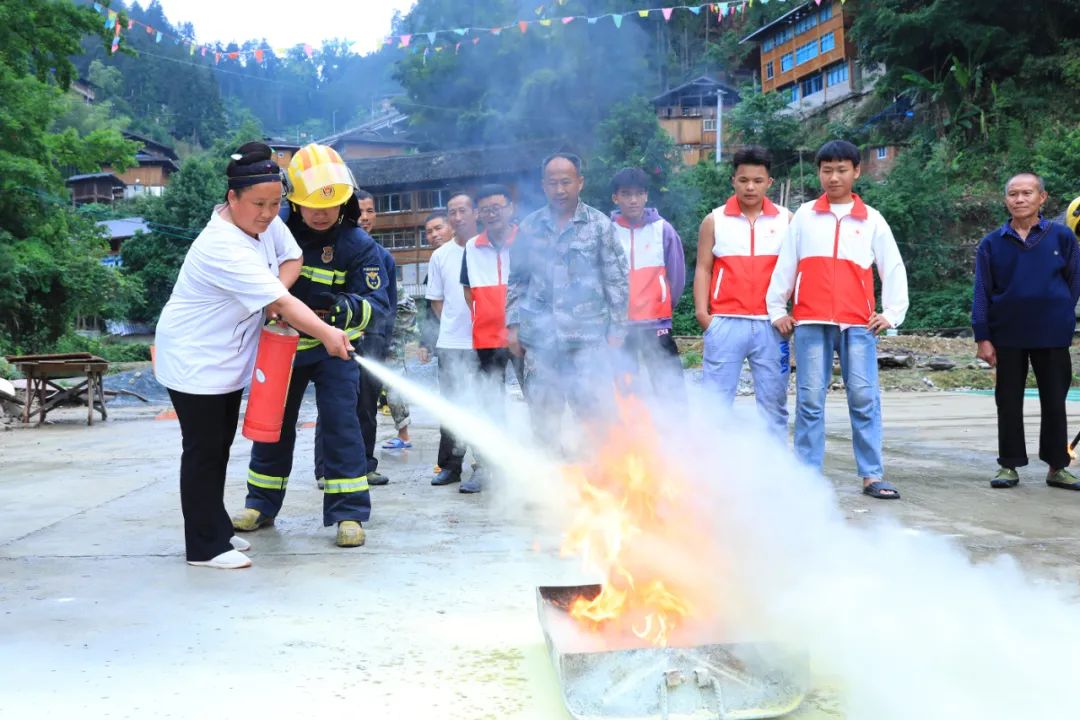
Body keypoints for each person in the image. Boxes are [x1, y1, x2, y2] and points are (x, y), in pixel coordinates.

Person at [154, 141, 353, 569]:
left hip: (226, 357)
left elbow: (293, 256)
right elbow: (284, 304)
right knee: (204, 449)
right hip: (195, 358)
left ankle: (218, 527)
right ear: (232, 199)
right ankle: (204, 547)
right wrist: (325, 332)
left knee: (220, 444)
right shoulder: (221, 246)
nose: (268, 213)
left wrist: (271, 294)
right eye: (259, 204)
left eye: (276, 203)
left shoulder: (265, 226)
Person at [232, 143, 390, 547]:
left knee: (342, 426)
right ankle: (260, 504)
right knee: (271, 427)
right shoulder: (274, 231)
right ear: (294, 201)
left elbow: (377, 306)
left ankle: (349, 514)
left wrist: (339, 311)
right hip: (282, 346)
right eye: (310, 205)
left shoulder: (358, 246)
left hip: (333, 350)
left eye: (331, 205)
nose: (321, 213)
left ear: (345, 202)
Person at [766, 140, 908, 500]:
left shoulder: (871, 219)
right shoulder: (804, 216)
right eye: (827, 170)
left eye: (841, 169)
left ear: (857, 172)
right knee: (811, 399)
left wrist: (891, 314)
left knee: (863, 397)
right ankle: (807, 475)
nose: (834, 177)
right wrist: (777, 309)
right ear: (819, 173)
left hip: (858, 322)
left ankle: (872, 475)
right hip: (811, 321)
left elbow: (891, 267)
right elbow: (787, 263)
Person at [507, 152, 629, 443]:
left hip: (589, 343)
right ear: (543, 185)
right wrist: (512, 326)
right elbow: (517, 280)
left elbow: (617, 280)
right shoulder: (529, 228)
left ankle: (602, 482)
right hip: (541, 344)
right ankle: (550, 483)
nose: (560, 190)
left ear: (580, 182)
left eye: (566, 182)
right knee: (544, 422)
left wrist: (617, 330)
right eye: (552, 183)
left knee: (597, 421)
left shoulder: (600, 226)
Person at [973, 174, 1080, 490]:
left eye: (1027, 193)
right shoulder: (992, 243)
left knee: (1054, 400)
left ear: (1042, 197)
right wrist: (983, 336)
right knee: (1007, 400)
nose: (1019, 199)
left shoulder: (1062, 237)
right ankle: (1009, 465)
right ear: (1005, 199)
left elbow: (1074, 283)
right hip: (1007, 333)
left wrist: (1059, 310)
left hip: (1052, 333)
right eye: (1013, 194)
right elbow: (981, 291)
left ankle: (1057, 466)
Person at [694, 147, 791, 441]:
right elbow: (703, 268)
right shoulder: (714, 220)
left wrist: (791, 312)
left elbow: (796, 271)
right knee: (715, 403)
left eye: (758, 180)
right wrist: (703, 315)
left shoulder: (787, 220)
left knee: (773, 405)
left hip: (771, 325)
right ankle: (712, 472)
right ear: (733, 180)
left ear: (769, 182)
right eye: (744, 179)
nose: (750, 187)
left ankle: (773, 472)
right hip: (725, 322)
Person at [459, 184, 526, 493]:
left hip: (526, 337)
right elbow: (468, 290)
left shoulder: (526, 240)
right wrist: (484, 316)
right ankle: (488, 467)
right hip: (486, 338)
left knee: (539, 399)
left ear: (510, 208)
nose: (491, 213)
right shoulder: (472, 246)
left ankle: (539, 465)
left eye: (497, 207)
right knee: (489, 404)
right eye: (485, 209)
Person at [609, 167, 686, 402]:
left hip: (656, 321)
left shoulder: (663, 229)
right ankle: (631, 437)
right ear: (616, 197)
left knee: (669, 385)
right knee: (625, 388)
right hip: (620, 324)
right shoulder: (606, 230)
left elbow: (677, 275)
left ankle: (677, 435)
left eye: (638, 193)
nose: (633, 200)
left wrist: (662, 303)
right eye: (626, 194)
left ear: (646, 195)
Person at [426, 192, 478, 488]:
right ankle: (450, 465)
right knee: (451, 405)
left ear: (474, 213)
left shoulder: (484, 248)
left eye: (463, 211)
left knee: (483, 402)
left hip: (483, 343)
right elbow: (436, 300)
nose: (457, 218)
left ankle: (483, 464)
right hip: (451, 344)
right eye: (452, 213)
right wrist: (454, 326)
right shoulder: (440, 256)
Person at [350, 188, 398, 486]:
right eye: (359, 211)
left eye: (370, 211)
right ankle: (325, 469)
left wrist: (384, 341)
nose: (364, 217)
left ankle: (365, 464)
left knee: (367, 405)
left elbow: (389, 304)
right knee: (337, 403)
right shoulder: (337, 250)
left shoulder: (383, 257)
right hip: (338, 338)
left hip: (373, 339)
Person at [418, 211, 453, 365]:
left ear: (452, 227)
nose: (434, 234)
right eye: (429, 232)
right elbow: (430, 310)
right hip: (447, 344)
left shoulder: (471, 256)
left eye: (439, 228)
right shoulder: (433, 268)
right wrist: (424, 343)